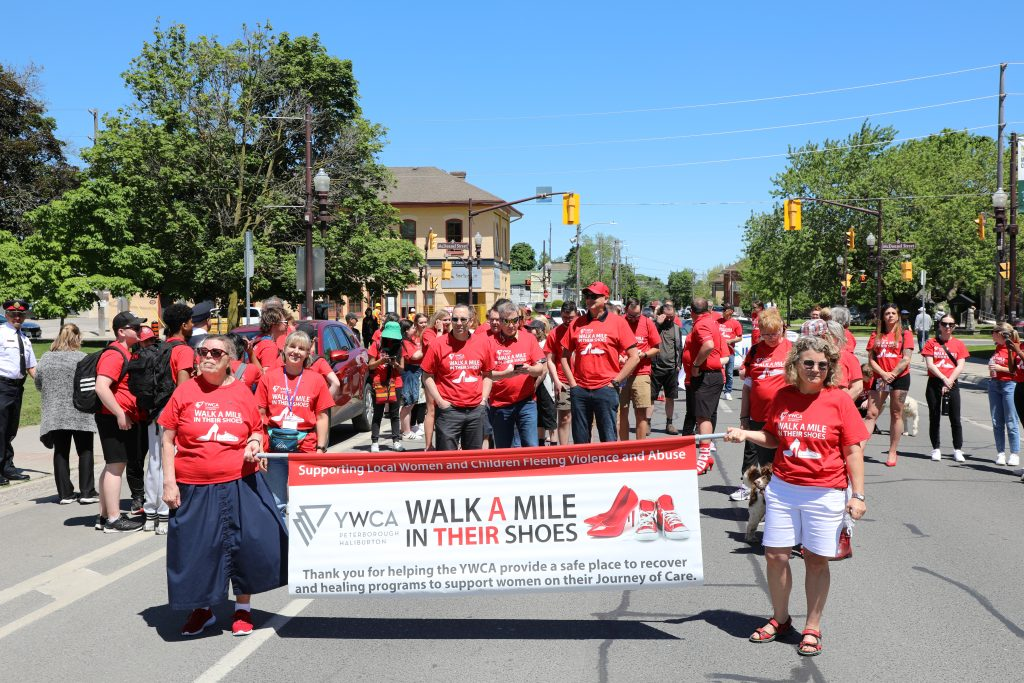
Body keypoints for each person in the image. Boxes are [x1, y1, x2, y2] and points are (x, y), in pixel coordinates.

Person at [724, 335, 867, 657]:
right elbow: (773, 437)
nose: (815, 369)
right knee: (775, 556)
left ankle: (812, 627)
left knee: (816, 561)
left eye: (821, 364)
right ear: (795, 365)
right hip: (784, 489)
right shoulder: (784, 396)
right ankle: (781, 618)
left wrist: (857, 495)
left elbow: (853, 451)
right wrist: (744, 433)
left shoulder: (839, 400)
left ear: (829, 367)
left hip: (825, 492)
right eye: (808, 363)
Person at [159, 335, 287, 637]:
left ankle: (242, 609)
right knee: (197, 551)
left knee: (246, 546)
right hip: (193, 484)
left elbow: (256, 430)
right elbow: (167, 439)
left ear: (230, 358)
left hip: (239, 480)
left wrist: (255, 443)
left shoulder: (242, 392)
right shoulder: (185, 392)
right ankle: (202, 609)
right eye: (202, 351)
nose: (208, 356)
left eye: (216, 352)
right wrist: (168, 482)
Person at [256, 330, 334, 510]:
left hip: (305, 447)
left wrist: (321, 449)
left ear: (308, 353)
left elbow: (322, 417)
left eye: (302, 348)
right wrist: (260, 449)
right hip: (274, 448)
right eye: (292, 346)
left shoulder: (316, 379)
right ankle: (280, 538)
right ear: (284, 349)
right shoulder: (269, 377)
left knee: (306, 503)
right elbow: (259, 415)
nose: (296, 351)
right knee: (277, 503)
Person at [560, 282, 640, 444]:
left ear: (605, 298)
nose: (589, 300)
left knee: (608, 438)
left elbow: (634, 357)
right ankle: (583, 468)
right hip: (580, 390)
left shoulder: (618, 322)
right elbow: (564, 356)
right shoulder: (577, 323)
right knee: (580, 440)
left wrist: (616, 381)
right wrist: (573, 384)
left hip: (606, 388)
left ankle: (608, 468)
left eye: (594, 296)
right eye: (587, 296)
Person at [142, 304, 196, 534]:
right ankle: (165, 513)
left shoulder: (161, 348)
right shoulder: (184, 351)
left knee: (153, 461)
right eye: (191, 322)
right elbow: (183, 388)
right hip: (172, 412)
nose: (193, 326)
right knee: (168, 461)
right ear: (183, 325)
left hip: (154, 411)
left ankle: (150, 513)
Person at [94, 311, 147, 532]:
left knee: (112, 466)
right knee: (116, 467)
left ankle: (104, 516)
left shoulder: (125, 352)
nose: (140, 331)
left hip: (115, 417)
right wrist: (119, 413)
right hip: (113, 419)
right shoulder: (114, 354)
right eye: (135, 328)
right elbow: (101, 387)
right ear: (121, 332)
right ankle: (114, 520)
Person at [732, 308, 792, 502]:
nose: (770, 338)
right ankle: (767, 504)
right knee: (765, 464)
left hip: (785, 417)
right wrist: (744, 417)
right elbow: (748, 385)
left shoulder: (792, 349)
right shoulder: (756, 350)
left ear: (782, 329)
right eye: (765, 334)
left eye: (774, 333)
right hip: (758, 417)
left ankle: (785, 502)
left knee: (784, 463)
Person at [35, 324, 98, 504]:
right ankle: (87, 492)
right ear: (77, 338)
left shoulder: (46, 358)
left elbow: (39, 384)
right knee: (85, 450)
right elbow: (90, 384)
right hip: (81, 411)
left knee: (61, 452)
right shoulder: (83, 358)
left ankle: (65, 494)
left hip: (55, 413)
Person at [421, 304, 492, 451]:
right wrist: (440, 402)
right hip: (449, 411)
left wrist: (483, 400)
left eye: (463, 319)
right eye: (455, 319)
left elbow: (487, 375)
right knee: (447, 461)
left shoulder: (482, 343)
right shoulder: (438, 344)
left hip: (475, 411)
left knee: (472, 461)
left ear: (471, 321)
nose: (459, 323)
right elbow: (427, 375)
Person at [484, 301, 547, 448]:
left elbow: (541, 368)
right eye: (506, 321)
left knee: (531, 445)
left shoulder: (529, 338)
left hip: (526, 402)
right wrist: (506, 374)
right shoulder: (489, 342)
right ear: (500, 321)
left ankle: (530, 472)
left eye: (514, 321)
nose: (511, 325)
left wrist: (529, 369)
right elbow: (485, 374)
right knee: (504, 449)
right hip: (500, 404)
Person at [862, 302, 914, 467]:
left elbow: (906, 358)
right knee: (871, 413)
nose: (890, 315)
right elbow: (871, 359)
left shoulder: (905, 334)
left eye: (893, 313)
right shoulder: (876, 335)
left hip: (900, 377)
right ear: (882, 317)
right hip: (880, 378)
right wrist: (884, 374)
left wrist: (892, 374)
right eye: (887, 313)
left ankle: (892, 451)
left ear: (898, 315)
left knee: (896, 413)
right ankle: (860, 447)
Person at [685, 297, 725, 474]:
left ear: (692, 312)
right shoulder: (711, 321)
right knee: (703, 416)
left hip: (706, 376)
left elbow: (708, 345)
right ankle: (705, 456)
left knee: (702, 417)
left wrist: (695, 365)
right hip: (710, 376)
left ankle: (703, 457)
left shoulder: (701, 324)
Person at [0, 299, 37, 485]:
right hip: (1, 385)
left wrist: (43, 384)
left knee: (10, 428)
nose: (17, 317)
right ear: (6, 315)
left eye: (21, 314)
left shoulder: (24, 338)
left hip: (17, 387)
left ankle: (7, 467)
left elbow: (31, 366)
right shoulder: (0, 334)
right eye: (13, 314)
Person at [922, 314, 967, 462]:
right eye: (945, 324)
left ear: (954, 326)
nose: (947, 327)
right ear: (939, 325)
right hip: (935, 382)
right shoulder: (931, 342)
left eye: (951, 324)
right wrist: (943, 379)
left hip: (952, 383)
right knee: (934, 416)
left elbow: (960, 365)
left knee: (955, 418)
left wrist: (950, 381)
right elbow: (930, 364)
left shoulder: (959, 344)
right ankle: (936, 448)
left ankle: (958, 449)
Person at [618, 298, 661, 440]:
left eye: (637, 315)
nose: (634, 319)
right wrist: (619, 356)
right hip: (621, 374)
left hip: (641, 374)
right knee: (621, 413)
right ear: (625, 311)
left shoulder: (647, 322)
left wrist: (644, 355)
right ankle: (624, 449)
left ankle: (639, 450)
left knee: (641, 414)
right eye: (631, 316)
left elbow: (656, 348)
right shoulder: (619, 322)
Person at [366, 321, 405, 452]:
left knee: (395, 414)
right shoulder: (376, 345)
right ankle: (375, 441)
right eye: (390, 337)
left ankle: (396, 441)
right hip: (379, 382)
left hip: (396, 382)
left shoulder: (400, 346)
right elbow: (370, 365)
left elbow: (402, 369)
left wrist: (395, 364)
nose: (392, 339)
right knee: (378, 413)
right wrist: (381, 361)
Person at [545, 300, 578, 445]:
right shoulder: (555, 333)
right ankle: (564, 451)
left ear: (576, 315)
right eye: (564, 318)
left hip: (583, 380)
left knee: (583, 418)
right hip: (563, 381)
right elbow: (550, 359)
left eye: (570, 318)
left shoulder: (583, 330)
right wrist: (556, 381)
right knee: (564, 417)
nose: (567, 321)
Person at [987, 323, 1020, 467]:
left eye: (993, 331)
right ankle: (1000, 453)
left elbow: (1017, 370)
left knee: (1011, 421)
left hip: (1009, 385)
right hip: (994, 384)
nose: (992, 334)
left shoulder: (1014, 347)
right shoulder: (998, 347)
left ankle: (1014, 453)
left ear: (1001, 333)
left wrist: (1001, 368)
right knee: (996, 421)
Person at [420, 309, 451, 451]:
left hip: (445, 374)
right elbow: (434, 347)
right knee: (431, 408)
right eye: (445, 320)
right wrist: (439, 332)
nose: (448, 323)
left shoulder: (449, 333)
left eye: (449, 319)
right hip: (430, 375)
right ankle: (428, 445)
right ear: (437, 320)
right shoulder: (428, 333)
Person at [651, 302, 684, 435]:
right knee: (650, 398)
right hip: (656, 368)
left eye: (672, 316)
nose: (670, 319)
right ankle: (647, 422)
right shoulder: (654, 327)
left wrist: (678, 365)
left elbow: (679, 348)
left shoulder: (677, 328)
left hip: (671, 369)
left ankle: (669, 423)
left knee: (670, 398)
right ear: (661, 315)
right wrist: (657, 323)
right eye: (667, 316)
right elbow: (649, 338)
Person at [529, 318, 558, 445]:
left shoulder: (545, 343)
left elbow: (545, 368)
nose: (530, 331)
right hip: (533, 384)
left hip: (545, 384)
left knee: (549, 416)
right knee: (539, 417)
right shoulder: (531, 343)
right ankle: (540, 444)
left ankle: (553, 445)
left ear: (539, 330)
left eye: (532, 329)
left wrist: (536, 384)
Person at [399, 318, 424, 441]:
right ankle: (406, 432)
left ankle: (405, 429)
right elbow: (414, 356)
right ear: (406, 330)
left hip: (414, 372)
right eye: (412, 327)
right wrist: (426, 348)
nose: (415, 329)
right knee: (408, 402)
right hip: (409, 372)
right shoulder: (405, 343)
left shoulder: (410, 341)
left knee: (412, 401)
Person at [718, 304, 743, 401]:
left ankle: (727, 391)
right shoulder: (717, 322)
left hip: (729, 352)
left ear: (731, 311)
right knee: (717, 372)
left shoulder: (735, 323)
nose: (723, 311)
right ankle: (716, 390)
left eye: (725, 309)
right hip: (718, 352)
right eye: (723, 309)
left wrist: (730, 341)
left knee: (729, 373)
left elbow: (740, 337)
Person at [252, 307, 288, 372]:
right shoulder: (270, 346)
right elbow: (266, 374)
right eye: (285, 322)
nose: (286, 325)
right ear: (274, 324)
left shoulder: (258, 338)